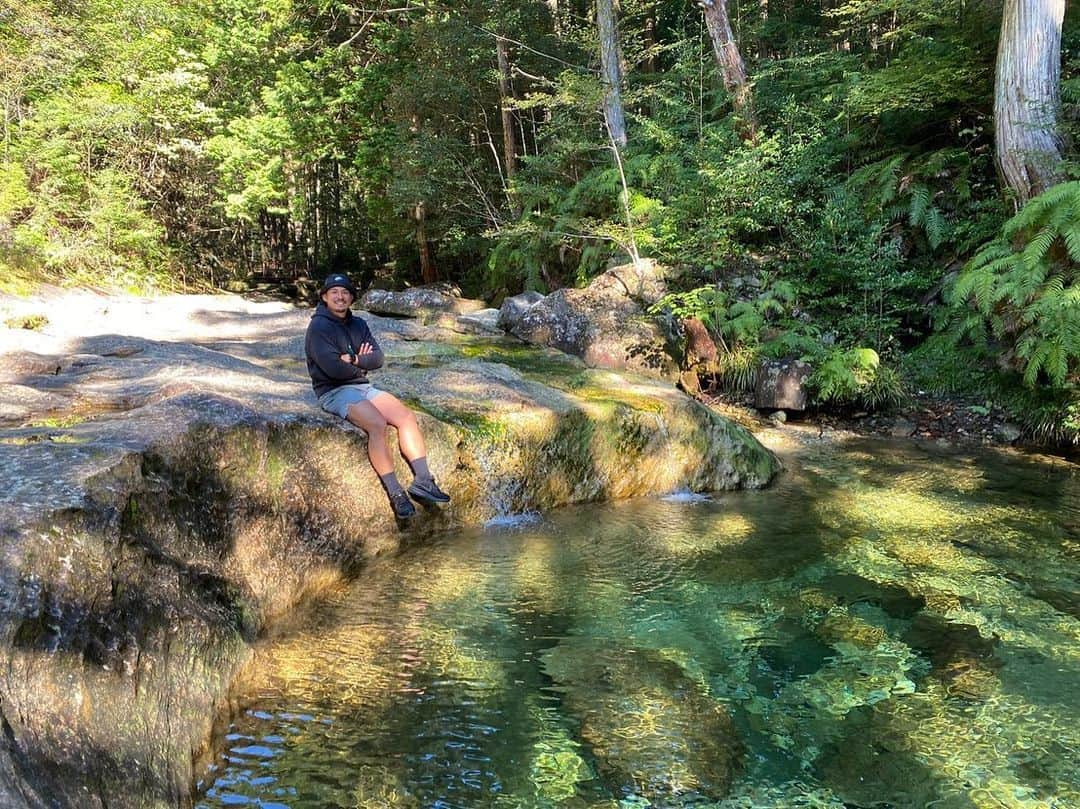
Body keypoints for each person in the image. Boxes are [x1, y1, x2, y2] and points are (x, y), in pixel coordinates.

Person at [305, 273, 450, 519]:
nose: (340, 297)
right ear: (325, 297)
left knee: (405, 417)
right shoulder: (318, 327)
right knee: (377, 424)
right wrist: (362, 364)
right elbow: (332, 368)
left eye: (345, 293)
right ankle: (396, 493)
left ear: (351, 298)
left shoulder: (358, 324)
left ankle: (424, 480)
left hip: (361, 386)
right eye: (334, 293)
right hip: (333, 391)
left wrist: (354, 360)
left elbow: (378, 359)